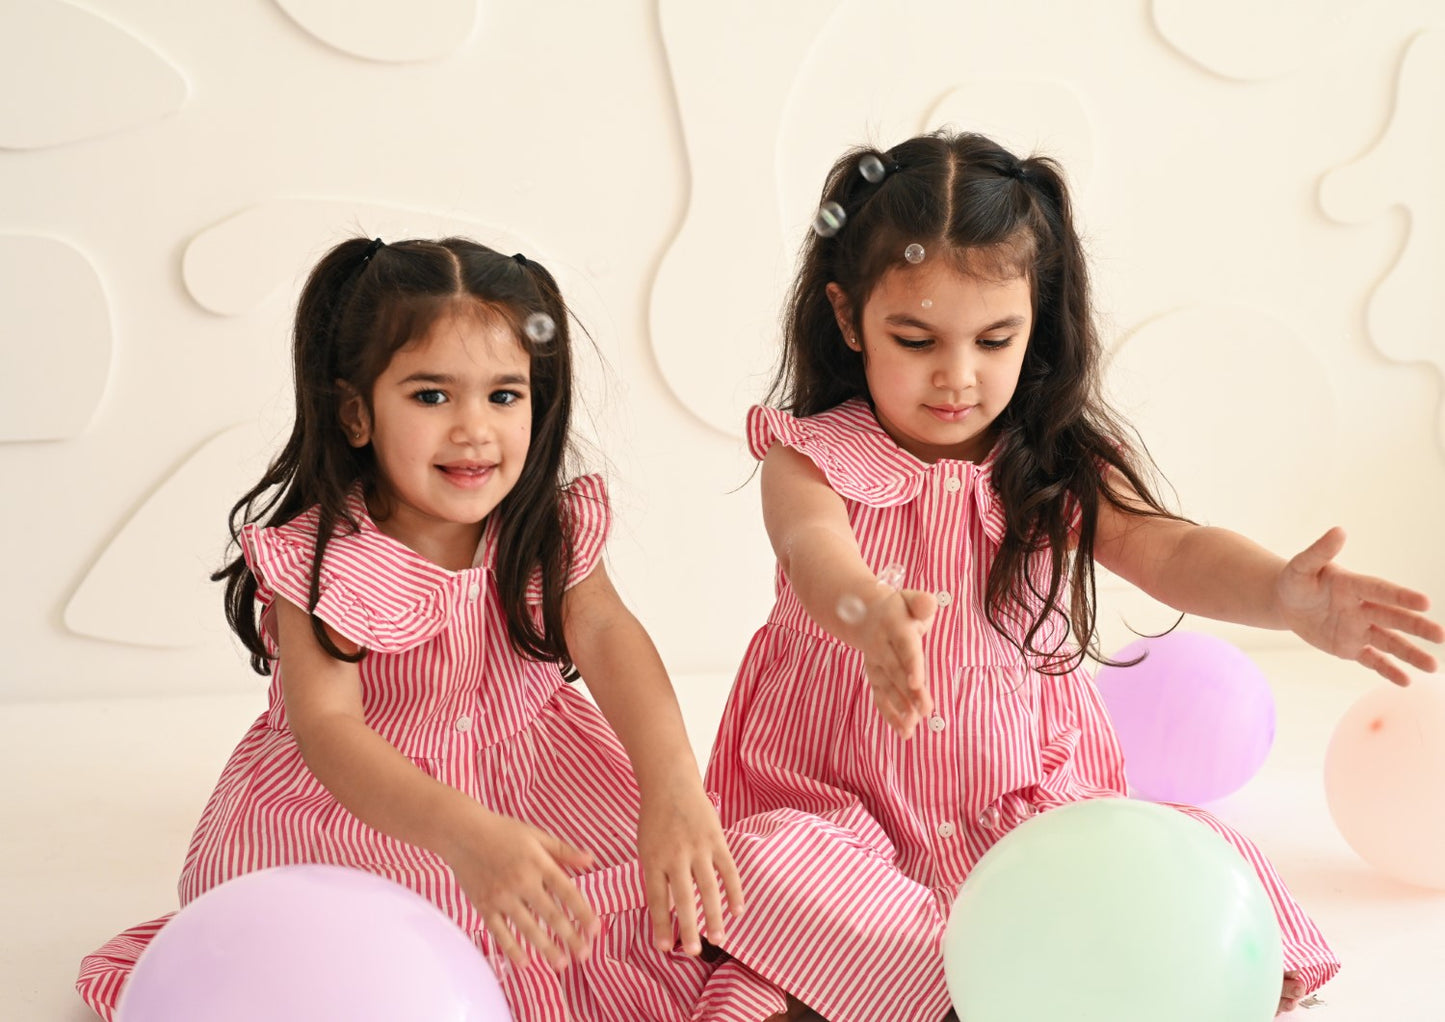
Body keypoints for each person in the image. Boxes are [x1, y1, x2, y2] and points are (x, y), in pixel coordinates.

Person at [700, 132, 1443, 1020]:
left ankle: (968, 972)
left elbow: (1169, 549)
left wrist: (1278, 593)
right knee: (764, 870)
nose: (957, 375)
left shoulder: (1052, 463)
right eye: (916, 338)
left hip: (1021, 797)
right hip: (837, 803)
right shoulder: (812, 457)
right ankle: (951, 983)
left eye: (994, 339)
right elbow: (811, 549)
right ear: (848, 316)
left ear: (1035, 322)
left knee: (1192, 859)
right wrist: (865, 613)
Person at [76, 237, 743, 1021]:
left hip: (538, 778)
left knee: (649, 909)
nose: (473, 430)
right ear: (357, 412)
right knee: (406, 952)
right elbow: (328, 730)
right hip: (373, 807)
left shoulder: (542, 529)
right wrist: (465, 837)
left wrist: (672, 787)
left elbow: (607, 636)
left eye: (503, 396)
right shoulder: (326, 555)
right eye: (432, 396)